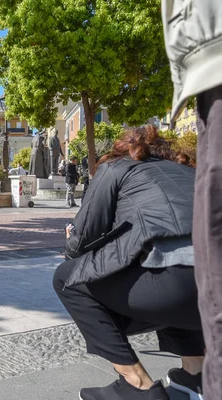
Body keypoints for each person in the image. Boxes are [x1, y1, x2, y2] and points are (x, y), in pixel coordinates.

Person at [53, 127, 204, 400]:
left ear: (123, 149)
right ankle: (197, 375)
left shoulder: (116, 169)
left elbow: (81, 241)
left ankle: (136, 385)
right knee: (171, 258)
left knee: (67, 279)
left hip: (174, 290)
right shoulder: (192, 172)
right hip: (212, 296)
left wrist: (71, 237)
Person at [161, 2, 222, 398]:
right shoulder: (174, 171)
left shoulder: (115, 175)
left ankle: (136, 377)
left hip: (213, 54)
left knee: (70, 279)